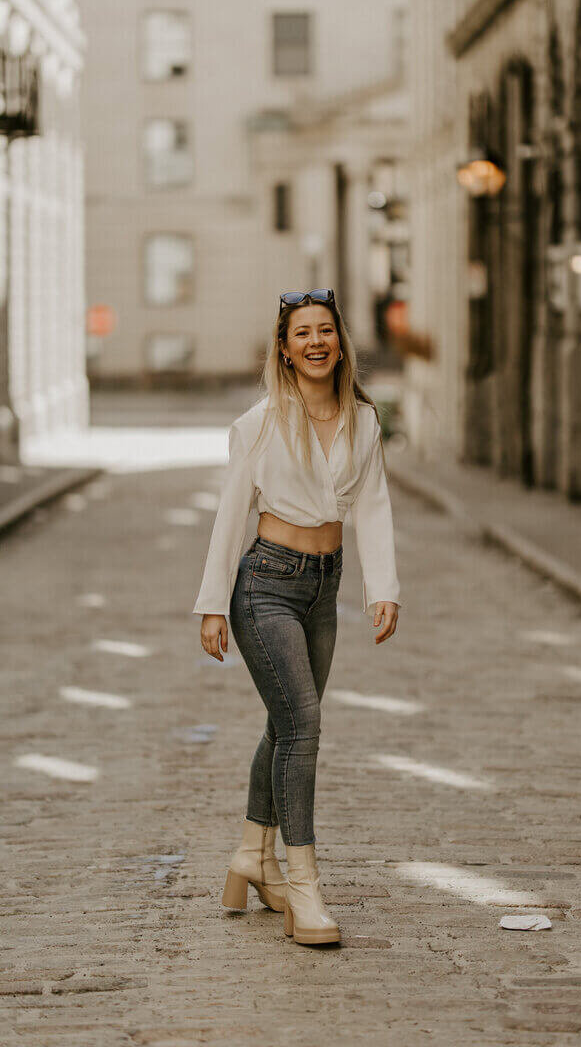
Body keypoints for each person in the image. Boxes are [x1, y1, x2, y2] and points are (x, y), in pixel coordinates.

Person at [193, 287, 401, 947]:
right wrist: (210, 604)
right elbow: (231, 514)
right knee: (304, 723)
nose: (316, 342)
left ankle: (252, 857)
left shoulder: (362, 421)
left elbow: (372, 505)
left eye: (326, 331)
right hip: (265, 586)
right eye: (302, 333)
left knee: (286, 724)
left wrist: (382, 589)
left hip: (323, 586)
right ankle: (304, 885)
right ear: (283, 350)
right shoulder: (258, 424)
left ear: (341, 342)